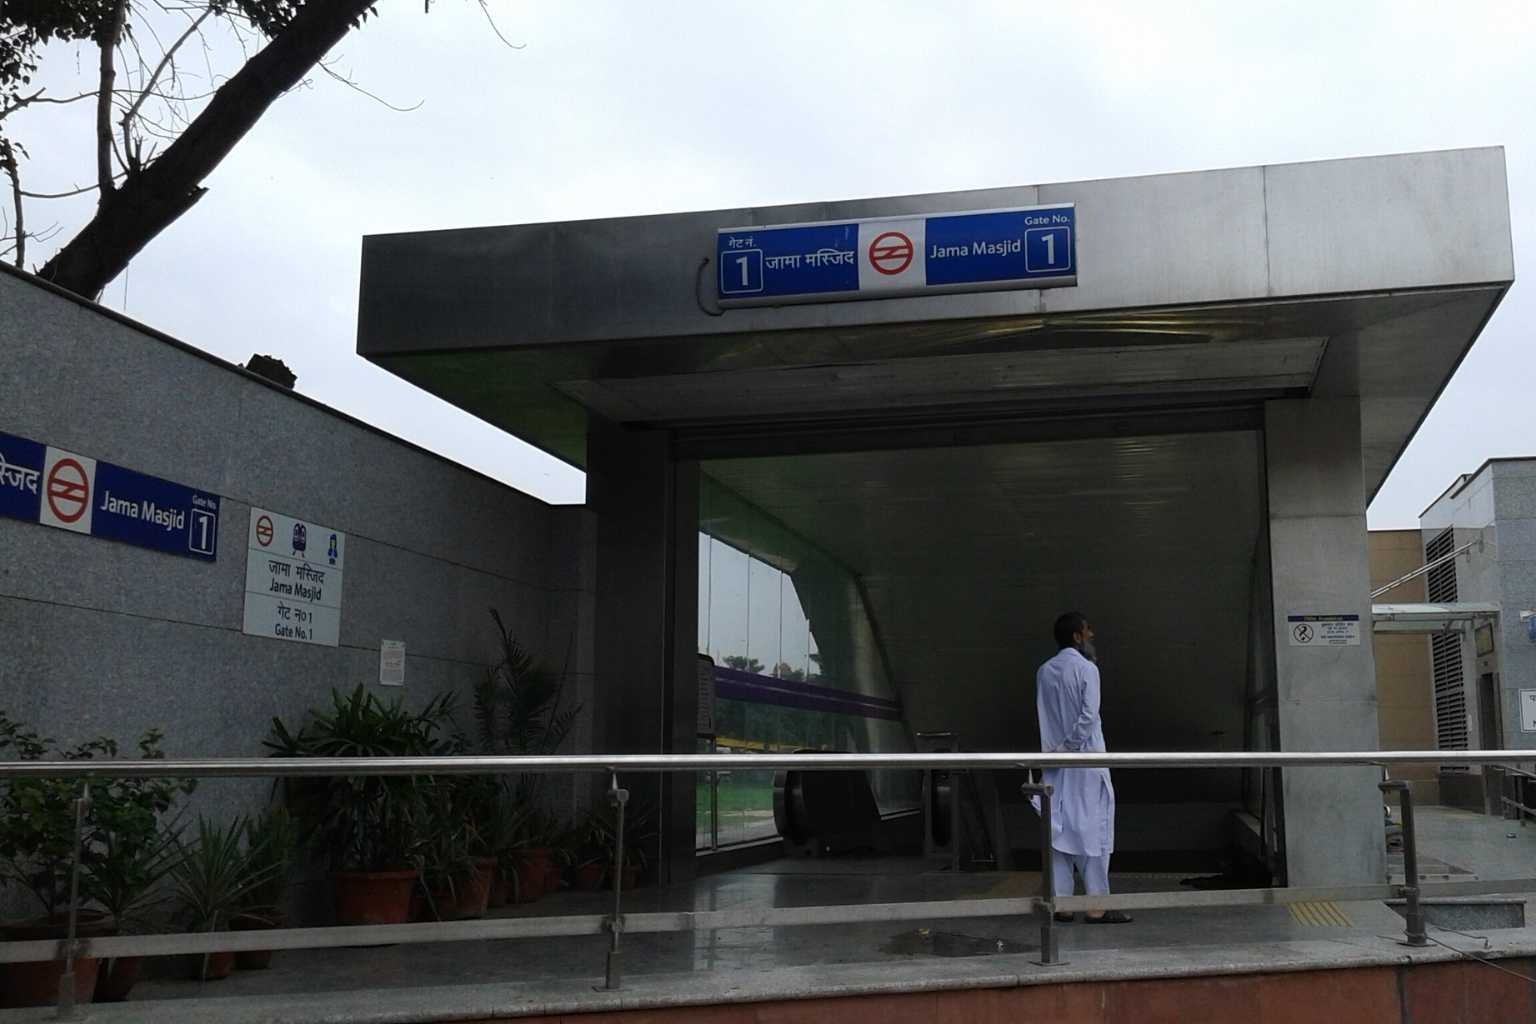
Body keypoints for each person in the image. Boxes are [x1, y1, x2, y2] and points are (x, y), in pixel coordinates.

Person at [1035, 612, 1131, 924]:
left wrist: (1057, 754)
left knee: (1058, 833)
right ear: (1077, 636)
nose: (1092, 635)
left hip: (1054, 765)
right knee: (1095, 834)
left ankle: (1061, 904)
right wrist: (1070, 750)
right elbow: (1088, 717)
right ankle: (1096, 906)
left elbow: (1046, 718)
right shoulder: (1088, 669)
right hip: (1086, 763)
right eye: (1088, 631)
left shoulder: (1044, 671)